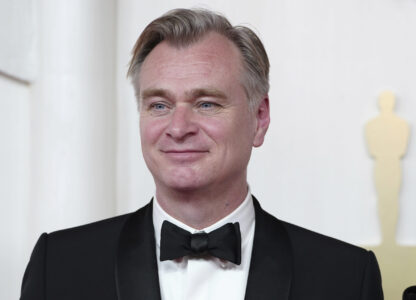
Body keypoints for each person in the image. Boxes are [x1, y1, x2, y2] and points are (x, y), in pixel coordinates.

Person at [20, 8, 383, 300]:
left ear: (259, 119)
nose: (178, 128)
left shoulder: (347, 277)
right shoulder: (61, 265)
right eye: (159, 105)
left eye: (206, 104)